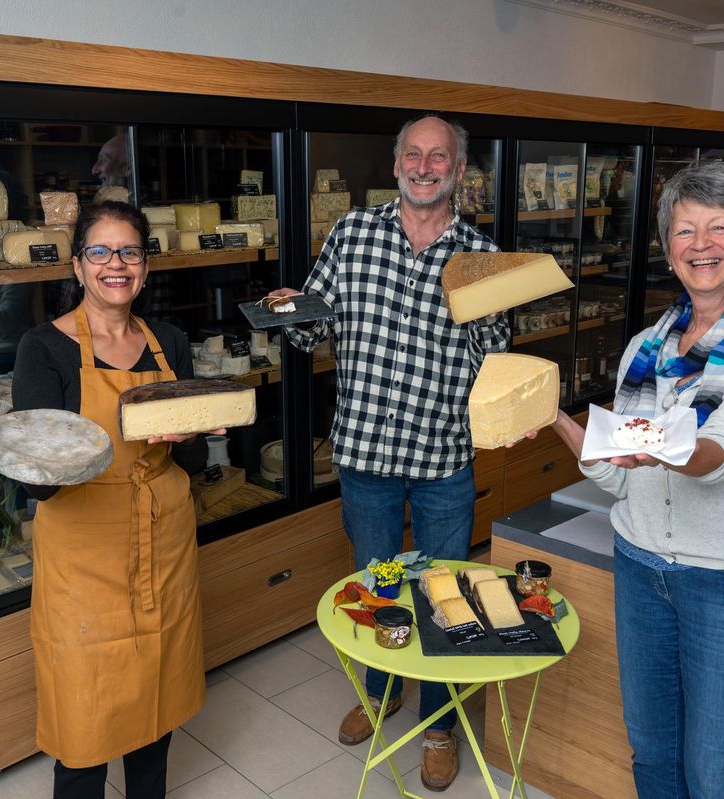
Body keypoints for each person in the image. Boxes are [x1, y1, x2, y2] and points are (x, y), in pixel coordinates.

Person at [546, 161, 724, 798]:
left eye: (718, 228)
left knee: (717, 771)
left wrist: (662, 448)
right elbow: (617, 477)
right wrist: (551, 415)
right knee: (653, 753)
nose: (701, 245)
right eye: (685, 230)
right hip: (641, 568)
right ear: (669, 250)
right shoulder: (647, 346)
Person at [280, 114, 510, 792]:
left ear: (459, 170)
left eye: (439, 155)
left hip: (442, 456)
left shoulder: (479, 254)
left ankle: (438, 727)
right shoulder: (353, 233)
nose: (425, 164)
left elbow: (493, 361)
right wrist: (292, 312)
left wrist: (489, 315)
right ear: (396, 163)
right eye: (414, 153)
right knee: (376, 585)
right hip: (366, 454)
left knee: (445, 595)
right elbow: (310, 333)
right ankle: (382, 693)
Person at [12, 201, 214, 799]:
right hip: (84, 556)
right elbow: (36, 486)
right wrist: (63, 451)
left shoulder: (168, 341)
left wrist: (193, 432)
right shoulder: (42, 350)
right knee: (86, 715)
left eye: (129, 251)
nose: (115, 264)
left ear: (145, 268)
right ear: (77, 267)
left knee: (156, 695)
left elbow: (194, 463)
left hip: (164, 539)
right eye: (100, 251)